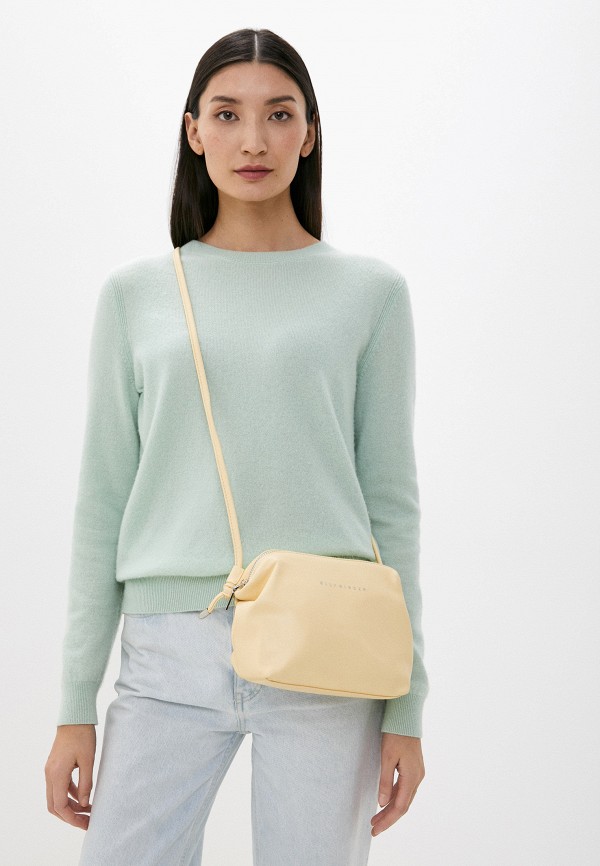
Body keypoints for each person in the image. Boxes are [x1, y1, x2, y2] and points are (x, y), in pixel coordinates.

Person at [44, 27, 429, 865]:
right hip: (166, 652)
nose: (253, 139)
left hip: (326, 647)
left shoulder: (371, 294)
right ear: (193, 131)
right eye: (227, 114)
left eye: (279, 114)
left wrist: (407, 706)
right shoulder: (137, 295)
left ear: (310, 133)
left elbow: (392, 506)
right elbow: (102, 502)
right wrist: (75, 704)